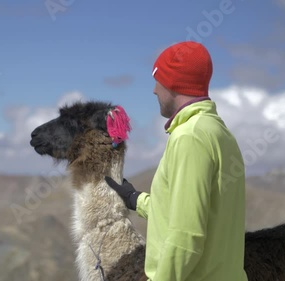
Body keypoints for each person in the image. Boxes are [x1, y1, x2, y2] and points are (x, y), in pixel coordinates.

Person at [105, 41, 248, 281]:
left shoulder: (190, 137)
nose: (154, 90)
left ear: (173, 84)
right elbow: (184, 212)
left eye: (157, 80)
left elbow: (186, 235)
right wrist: (134, 199)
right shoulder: (220, 133)